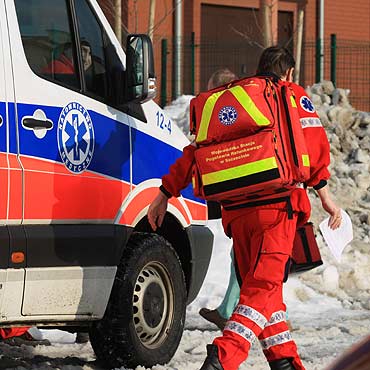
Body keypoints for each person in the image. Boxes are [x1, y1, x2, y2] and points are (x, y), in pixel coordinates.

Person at [147, 46, 341, 370]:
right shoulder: (289, 95)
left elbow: (195, 153)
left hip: (238, 218)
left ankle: (286, 363)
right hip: (276, 213)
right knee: (261, 291)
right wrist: (325, 196)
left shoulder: (235, 102)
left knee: (267, 297)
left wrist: (164, 193)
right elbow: (314, 146)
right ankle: (223, 358)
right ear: (289, 73)